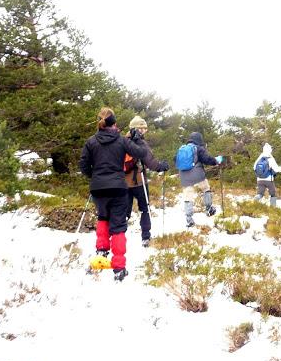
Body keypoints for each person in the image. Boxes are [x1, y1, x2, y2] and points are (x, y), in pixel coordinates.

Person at [79, 107, 147, 282]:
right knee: (118, 226)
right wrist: (137, 139)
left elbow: (84, 166)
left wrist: (94, 176)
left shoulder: (91, 141)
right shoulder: (121, 140)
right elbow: (141, 153)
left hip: (98, 187)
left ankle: (101, 251)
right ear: (115, 123)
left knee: (103, 218)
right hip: (118, 187)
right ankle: (118, 267)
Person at [124, 116, 169, 247]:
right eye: (143, 128)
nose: (145, 131)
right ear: (137, 128)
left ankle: (118, 236)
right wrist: (161, 166)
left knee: (123, 211)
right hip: (139, 181)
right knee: (144, 209)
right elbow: (150, 162)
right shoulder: (140, 143)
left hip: (123, 182)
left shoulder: (122, 141)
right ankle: (145, 236)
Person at [176, 132, 223, 227]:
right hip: (197, 174)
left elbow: (175, 160)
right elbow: (207, 159)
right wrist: (216, 161)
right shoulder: (198, 148)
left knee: (188, 196)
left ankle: (189, 219)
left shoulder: (182, 149)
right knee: (206, 188)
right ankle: (209, 208)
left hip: (184, 175)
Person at [254, 143, 281, 207]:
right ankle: (273, 207)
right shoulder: (270, 159)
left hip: (259, 180)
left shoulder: (259, 159)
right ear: (270, 150)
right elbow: (276, 169)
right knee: (273, 194)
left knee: (260, 194)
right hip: (269, 180)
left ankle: (254, 204)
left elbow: (254, 168)